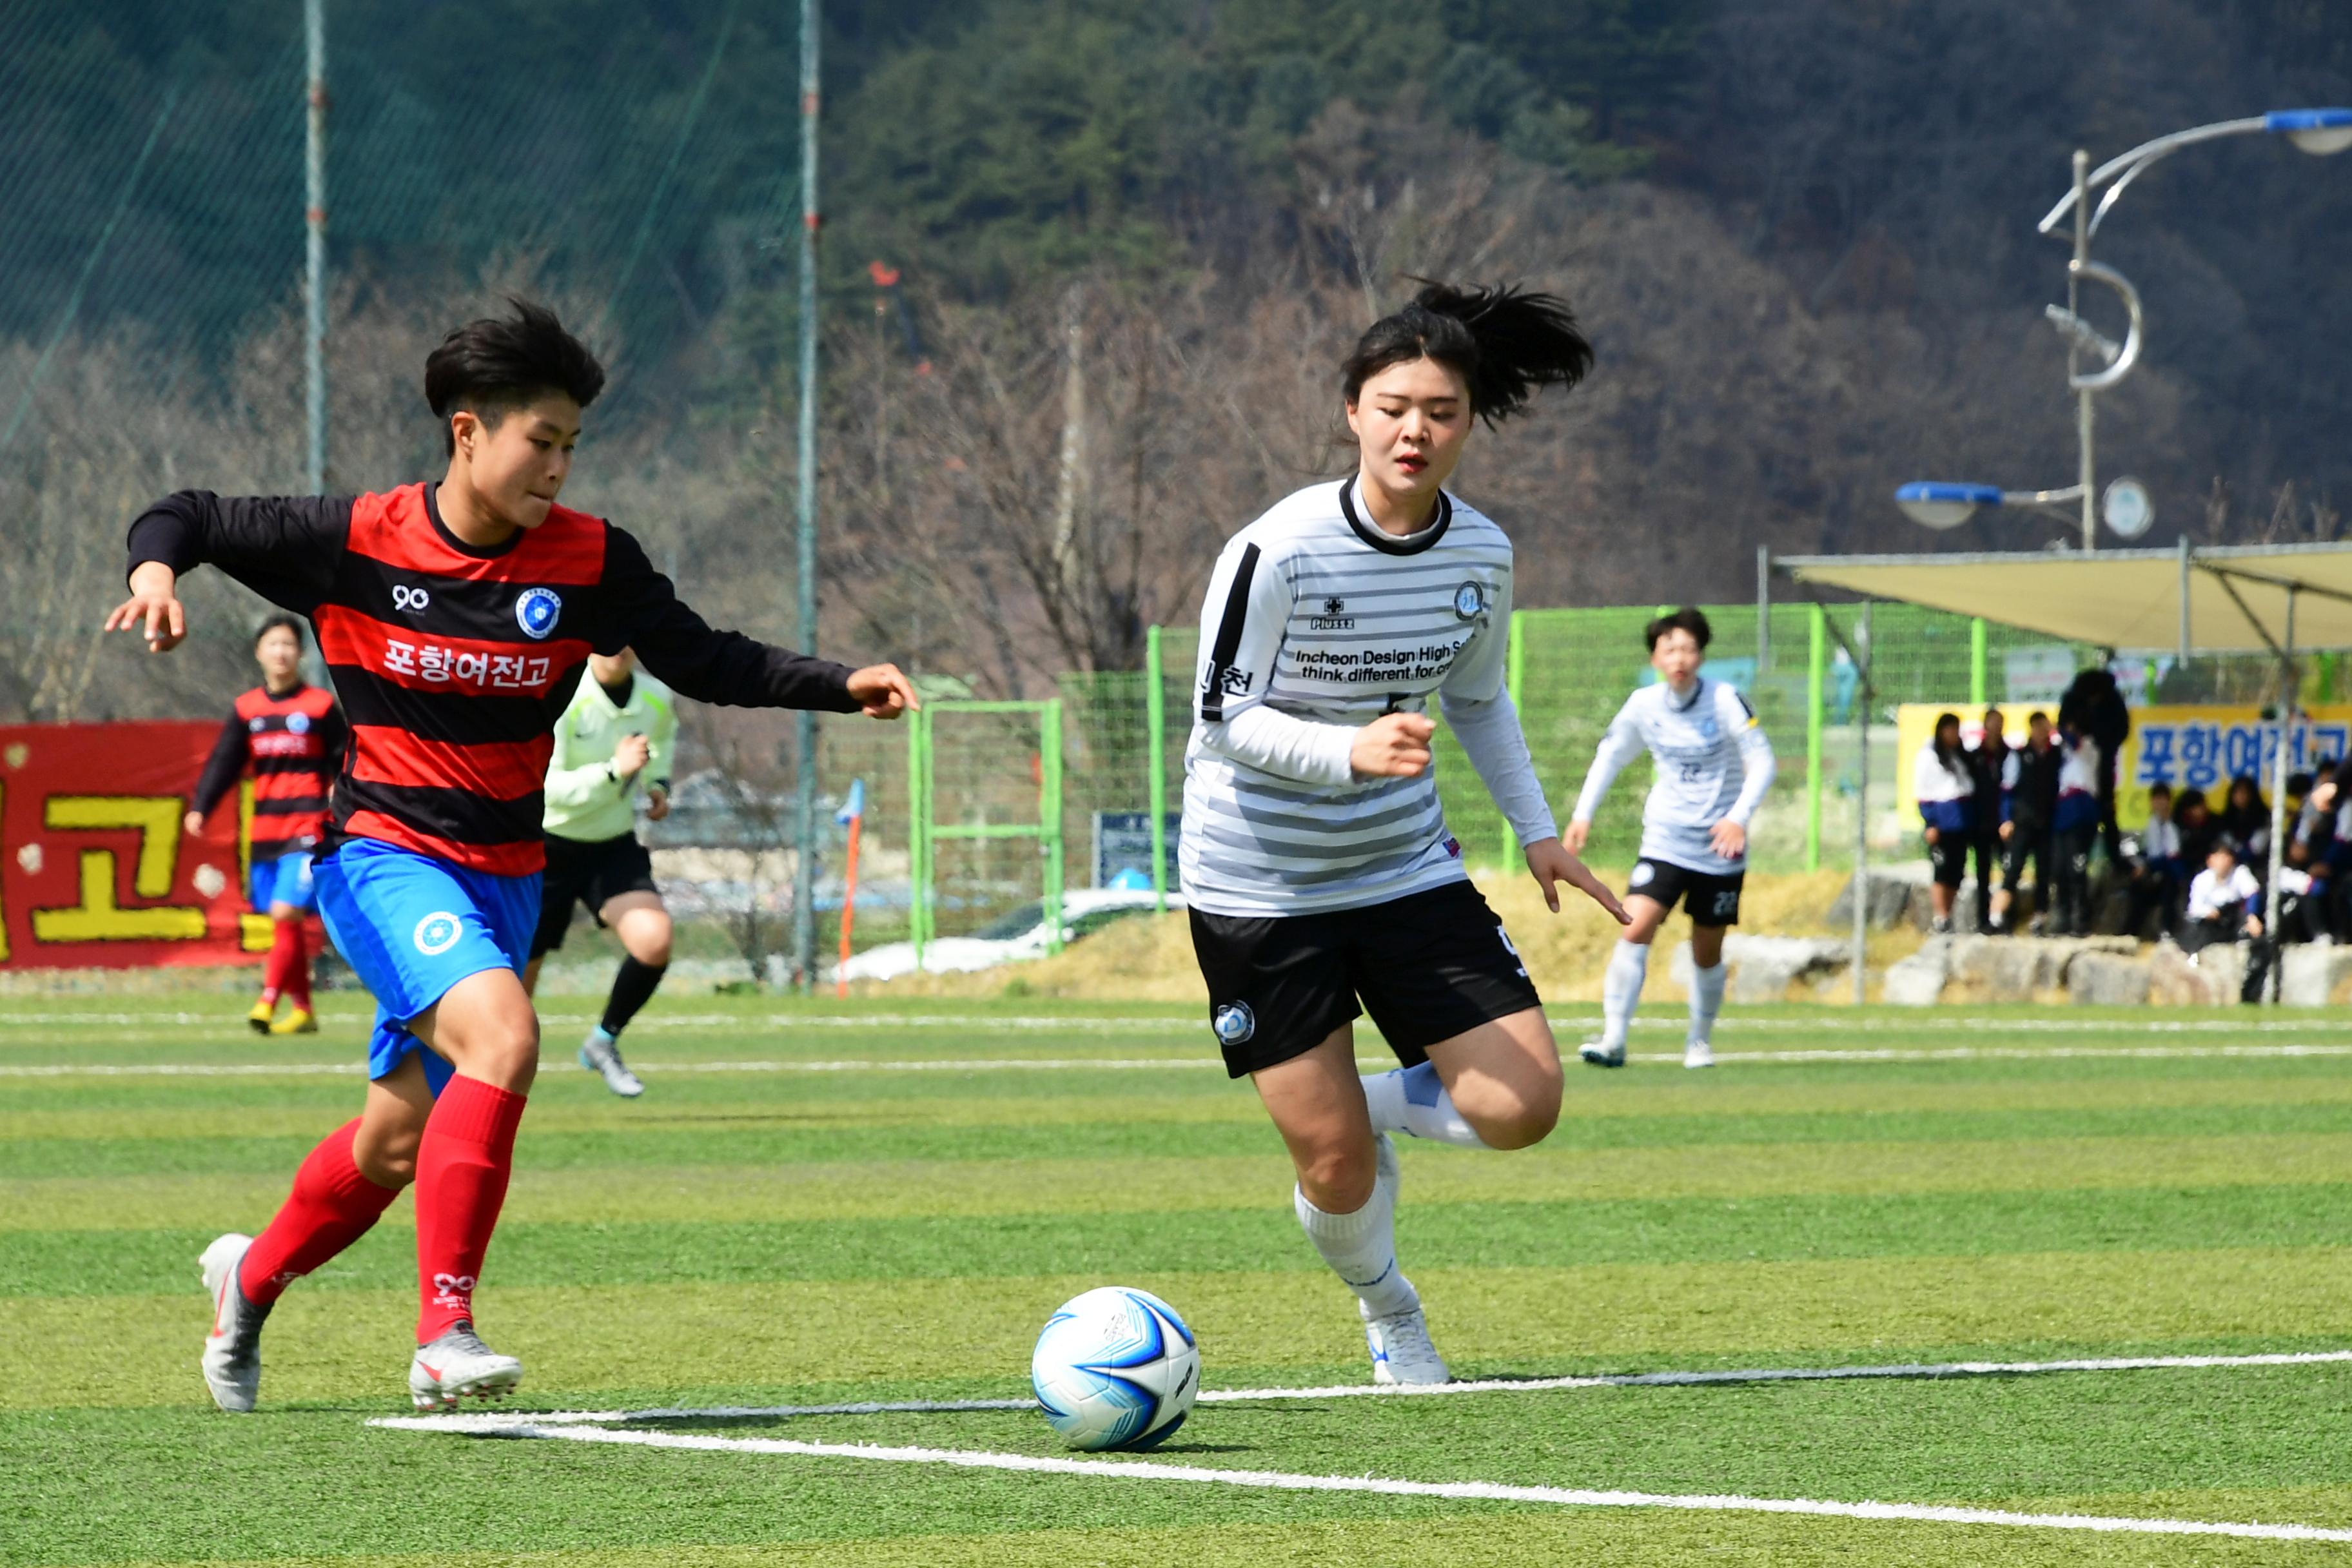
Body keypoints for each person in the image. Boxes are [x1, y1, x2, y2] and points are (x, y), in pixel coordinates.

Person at [107, 300, 917, 1416]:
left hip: (503, 871)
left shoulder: (589, 557)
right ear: (467, 433)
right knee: (506, 1034)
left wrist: (837, 682)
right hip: (380, 852)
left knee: (395, 1144)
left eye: (573, 443)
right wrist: (156, 574)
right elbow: (185, 512)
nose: (559, 465)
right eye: (543, 439)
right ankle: (445, 1331)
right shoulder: (355, 538)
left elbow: (704, 654)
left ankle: (244, 1279)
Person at [1179, 281, 1625, 1387]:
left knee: (1522, 1107)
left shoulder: (1479, 554)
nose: (1412, 430)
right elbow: (1222, 718)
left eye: (1439, 410)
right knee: (1330, 1168)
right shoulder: (1272, 551)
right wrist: (1346, 752)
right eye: (1390, 406)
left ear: (1469, 423)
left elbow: (1476, 698)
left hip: (1399, 870)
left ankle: (1362, 1099)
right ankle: (1389, 1307)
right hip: (1258, 884)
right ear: (1351, 414)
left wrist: (1537, 831)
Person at [1565, 607, 1776, 1070]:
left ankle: (1699, 1042)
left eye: (1688, 648)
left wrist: (1738, 818)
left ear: (1701, 655)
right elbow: (1611, 756)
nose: (1679, 657)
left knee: (1706, 949)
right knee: (1634, 926)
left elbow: (1763, 762)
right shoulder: (1644, 704)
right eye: (1670, 649)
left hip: (1721, 849)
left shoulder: (1726, 701)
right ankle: (1614, 1039)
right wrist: (1583, 815)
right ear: (1656, 657)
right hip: (1665, 840)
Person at [522, 647, 677, 1097]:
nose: (618, 648)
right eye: (606, 639)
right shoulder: (564, 695)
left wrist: (657, 785)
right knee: (514, 994)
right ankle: (476, 1083)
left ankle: (602, 1041)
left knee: (655, 941)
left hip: (611, 845)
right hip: (545, 846)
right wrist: (614, 772)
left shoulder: (654, 697)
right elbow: (546, 788)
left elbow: (661, 746)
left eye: (627, 637)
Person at [185, 614, 348, 1035]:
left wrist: (342, 795)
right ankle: (304, 1009)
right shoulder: (248, 709)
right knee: (282, 921)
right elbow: (225, 763)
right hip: (266, 833)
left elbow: (346, 759)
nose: (281, 652)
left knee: (286, 910)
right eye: (273, 644)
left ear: (301, 653)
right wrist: (202, 806)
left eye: (289, 645)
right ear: (259, 652)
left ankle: (266, 1000)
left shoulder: (320, 707)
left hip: (309, 827)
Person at [1912, 712, 1976, 935]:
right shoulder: (1929, 756)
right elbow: (1923, 790)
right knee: (1941, 869)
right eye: (1950, 730)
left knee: (1957, 872)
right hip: (1942, 818)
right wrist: (1930, 822)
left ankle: (1949, 913)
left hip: (1961, 820)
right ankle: (1941, 917)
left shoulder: (1960, 756)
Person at [2179, 841, 2266, 1001]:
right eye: (2218, 857)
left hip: (2233, 919)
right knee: (2194, 929)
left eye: (2226, 857)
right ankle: (2193, 961)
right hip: (2210, 923)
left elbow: (2252, 894)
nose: (2223, 861)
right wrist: (2209, 912)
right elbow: (2194, 908)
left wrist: (2252, 917)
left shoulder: (2240, 873)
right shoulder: (2202, 880)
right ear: (2210, 860)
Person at [2048, 721, 2102, 936]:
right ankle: (2063, 916)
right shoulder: (2061, 752)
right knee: (2059, 868)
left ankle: (2081, 919)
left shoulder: (2089, 747)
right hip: (2062, 812)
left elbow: (2076, 743)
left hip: (2081, 811)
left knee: (2076, 869)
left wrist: (2058, 727)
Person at [2006, 711, 2058, 932]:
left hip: (2047, 821)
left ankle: (2039, 918)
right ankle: (2001, 916)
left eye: (2044, 727)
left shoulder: (2056, 754)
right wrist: (2006, 819)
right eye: (2037, 727)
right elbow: (2007, 790)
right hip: (2023, 821)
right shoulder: (2018, 755)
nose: (2041, 731)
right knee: (2014, 868)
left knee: (2044, 871)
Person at [1966, 707, 2017, 934]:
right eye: (1991, 723)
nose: (1995, 727)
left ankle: (2005, 918)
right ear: (1985, 726)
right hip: (1981, 823)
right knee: (1983, 874)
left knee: (2008, 872)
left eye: (1999, 723)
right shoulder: (1975, 756)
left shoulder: (2010, 755)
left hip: (2004, 824)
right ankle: (1983, 920)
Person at [2124, 781, 2186, 940]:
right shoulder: (2152, 822)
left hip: (2172, 871)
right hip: (2154, 868)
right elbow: (2149, 850)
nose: (2159, 803)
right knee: (2137, 887)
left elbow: (2173, 854)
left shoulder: (2175, 822)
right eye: (2156, 799)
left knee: (2168, 886)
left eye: (2162, 799)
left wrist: (2148, 866)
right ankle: (2131, 932)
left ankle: (2167, 931)